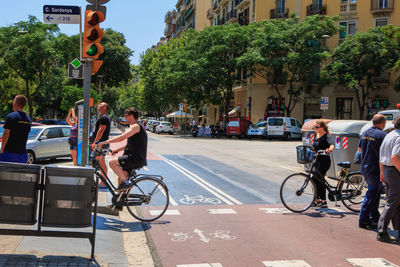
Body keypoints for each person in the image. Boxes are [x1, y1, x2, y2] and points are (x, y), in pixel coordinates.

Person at [97, 107, 147, 192]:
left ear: (131, 116)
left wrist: (104, 142)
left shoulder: (136, 127)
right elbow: (129, 145)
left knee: (112, 162)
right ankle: (120, 201)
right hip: (134, 157)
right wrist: (117, 150)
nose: (125, 118)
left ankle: (126, 183)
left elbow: (121, 137)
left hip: (135, 158)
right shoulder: (135, 127)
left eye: (126, 116)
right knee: (122, 176)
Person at [358, 114, 386, 230]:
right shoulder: (382, 135)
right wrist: (382, 172)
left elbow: (359, 149)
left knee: (376, 192)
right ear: (383, 123)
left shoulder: (366, 132)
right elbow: (383, 155)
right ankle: (363, 220)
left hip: (365, 166)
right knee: (371, 193)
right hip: (375, 168)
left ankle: (374, 216)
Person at [378, 115, 400, 242]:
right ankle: (382, 230)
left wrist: (382, 172)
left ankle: (397, 228)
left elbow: (382, 155)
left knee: (395, 201)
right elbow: (395, 157)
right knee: (393, 201)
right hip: (394, 171)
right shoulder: (398, 137)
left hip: (387, 169)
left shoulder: (389, 135)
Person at [0, 95, 31, 163]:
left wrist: (2, 150)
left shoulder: (11, 116)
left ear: (15, 103)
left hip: (9, 153)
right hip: (22, 154)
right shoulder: (28, 120)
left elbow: (6, 134)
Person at [311, 120, 334, 208]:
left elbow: (332, 144)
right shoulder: (316, 135)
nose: (315, 129)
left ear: (322, 128)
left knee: (320, 180)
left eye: (317, 127)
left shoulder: (327, 136)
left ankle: (323, 201)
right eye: (315, 127)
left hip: (324, 161)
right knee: (314, 180)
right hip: (317, 161)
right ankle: (317, 200)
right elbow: (314, 146)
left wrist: (330, 149)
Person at [91, 102, 111, 184]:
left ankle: (103, 182)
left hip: (101, 144)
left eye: (101, 105)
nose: (98, 105)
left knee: (101, 163)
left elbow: (101, 130)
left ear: (105, 108)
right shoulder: (103, 117)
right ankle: (103, 182)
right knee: (100, 162)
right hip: (101, 143)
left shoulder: (104, 118)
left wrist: (95, 142)